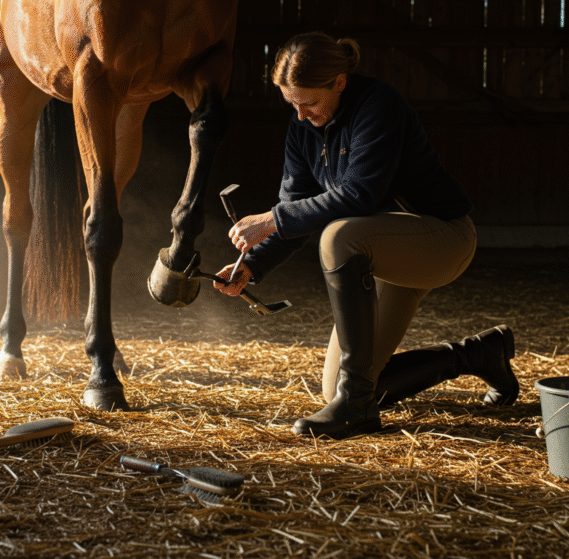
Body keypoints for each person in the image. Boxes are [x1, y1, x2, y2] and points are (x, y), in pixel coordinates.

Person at [213, 32, 519, 439]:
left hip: (441, 238)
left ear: (339, 82)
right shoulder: (302, 129)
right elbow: (296, 212)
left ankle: (356, 409)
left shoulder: (379, 105)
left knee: (337, 237)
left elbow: (359, 194)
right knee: (336, 388)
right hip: (378, 252)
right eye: (292, 104)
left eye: (309, 102)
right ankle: (478, 355)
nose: (300, 115)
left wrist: (271, 218)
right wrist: (251, 265)